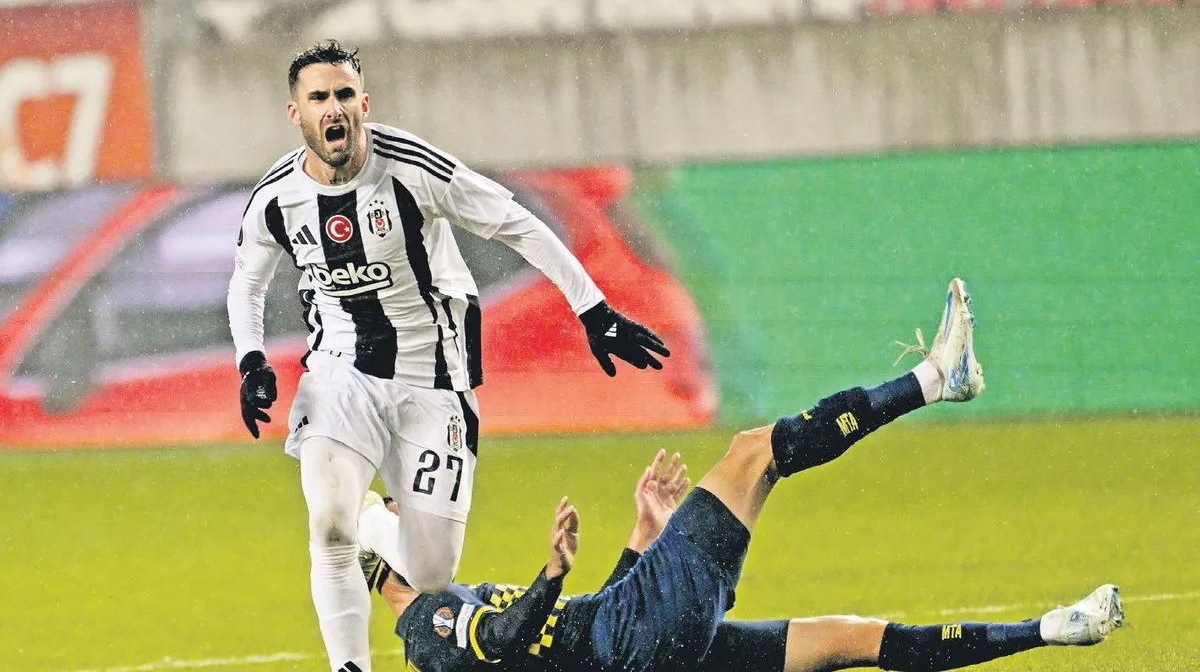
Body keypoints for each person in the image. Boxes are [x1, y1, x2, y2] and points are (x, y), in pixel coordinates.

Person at [354, 278, 1125, 672]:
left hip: (640, 642)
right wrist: (551, 574)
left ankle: (1055, 628)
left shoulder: (441, 607)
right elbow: (509, 633)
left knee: (847, 639)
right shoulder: (427, 624)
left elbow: (566, 648)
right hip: (639, 634)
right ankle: (933, 379)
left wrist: (640, 538)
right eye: (395, 510)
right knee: (754, 452)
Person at [226, 40, 669, 672]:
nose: (334, 108)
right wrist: (250, 361)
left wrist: (592, 310)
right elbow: (245, 283)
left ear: (364, 103)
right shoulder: (276, 197)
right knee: (328, 528)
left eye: (345, 94)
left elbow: (516, 223)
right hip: (339, 371)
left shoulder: (412, 168)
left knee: (431, 572)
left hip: (434, 376)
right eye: (319, 97)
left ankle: (374, 521)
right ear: (295, 114)